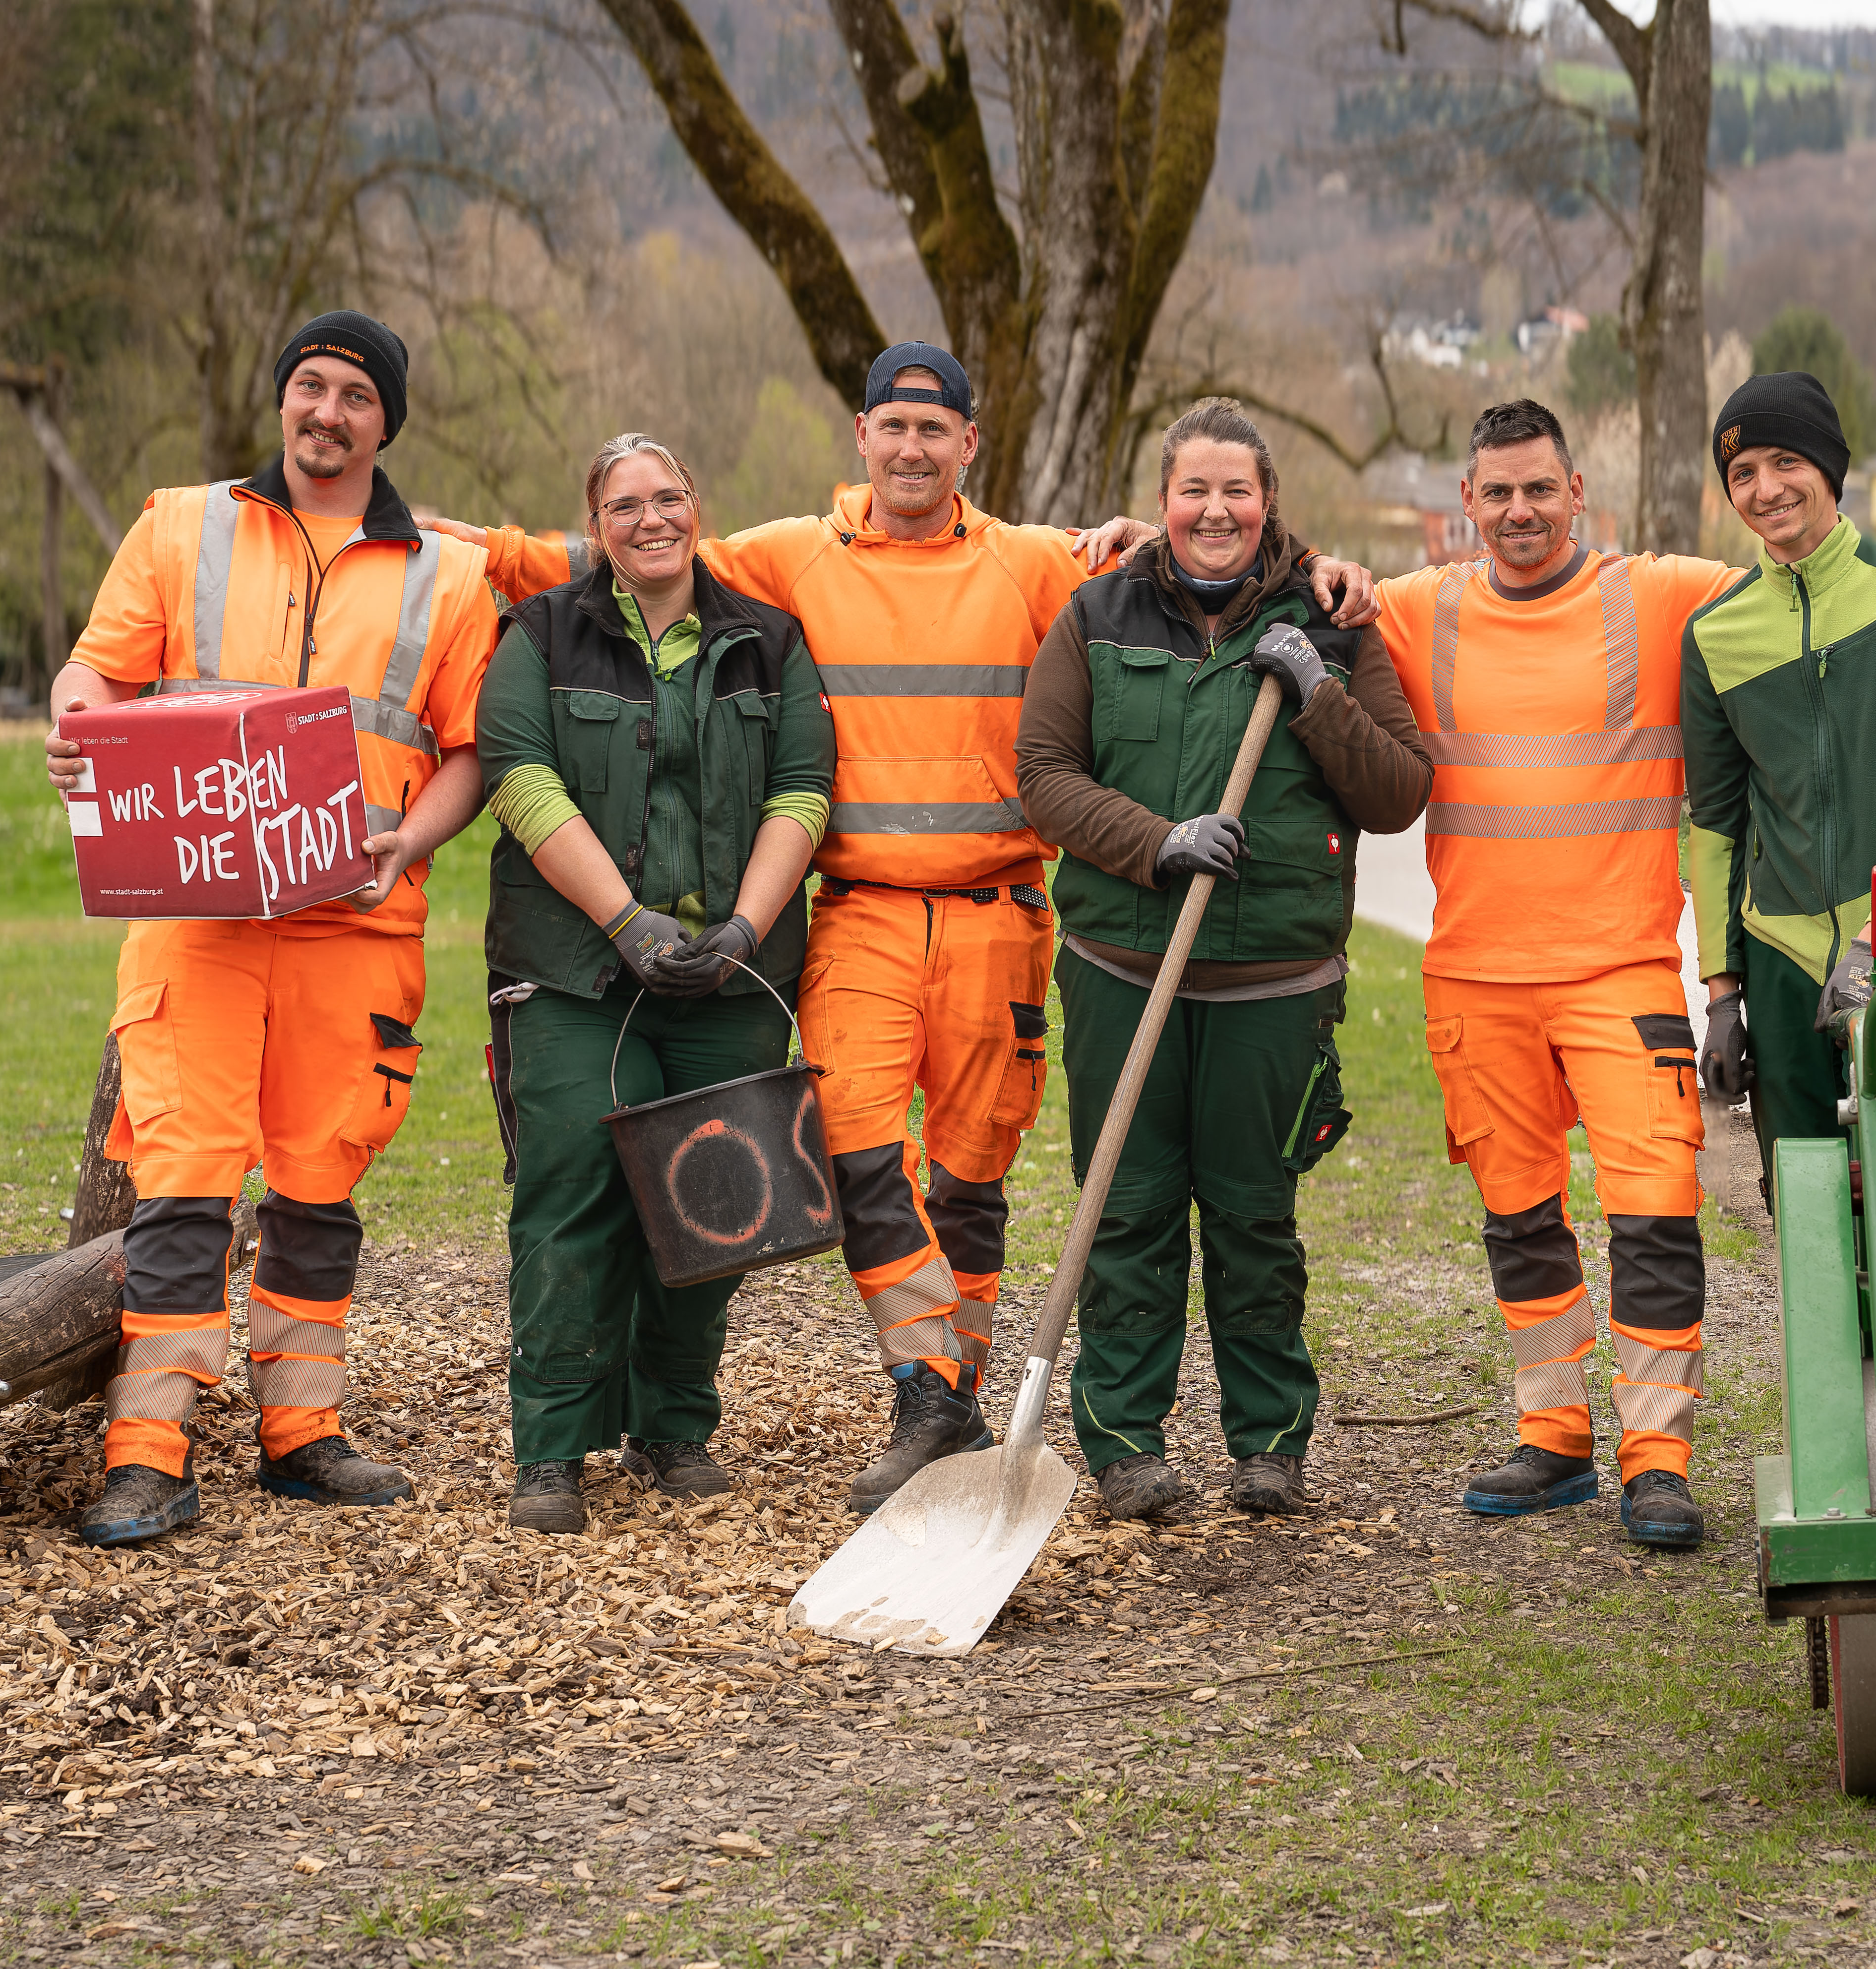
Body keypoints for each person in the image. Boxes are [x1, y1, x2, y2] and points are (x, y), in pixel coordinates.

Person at [449, 343, 1379, 1515]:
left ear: (967, 445)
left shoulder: (1030, 559)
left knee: (971, 1176)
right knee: (853, 1150)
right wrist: (459, 545)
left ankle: (949, 1398)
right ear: (861, 435)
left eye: (933, 430)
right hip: (863, 912)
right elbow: (635, 547)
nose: (910, 447)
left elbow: (1199, 549)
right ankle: (928, 1383)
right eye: (892, 426)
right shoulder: (791, 554)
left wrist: (1328, 569)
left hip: (999, 910)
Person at [1373, 398, 1876, 1550]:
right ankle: (1552, 1437)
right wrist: (1130, 541)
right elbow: (1299, 577)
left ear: (1577, 492)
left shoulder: (1662, 597)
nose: (1518, 510)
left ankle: (1658, 1461)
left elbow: (1808, 565)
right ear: (1465, 502)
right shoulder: (1416, 607)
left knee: (1654, 1213)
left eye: (1539, 488)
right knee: (1519, 1216)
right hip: (1476, 976)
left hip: (1621, 969)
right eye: (1497, 492)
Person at [44, 310, 499, 1546]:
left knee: (317, 1183)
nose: (327, 412)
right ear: (283, 398)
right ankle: (149, 1454)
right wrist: (74, 725)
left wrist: (411, 838)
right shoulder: (178, 525)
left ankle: (303, 1431)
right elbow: (95, 672)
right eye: (311, 386)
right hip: (196, 914)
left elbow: (470, 750)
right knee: (183, 1181)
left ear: (384, 423)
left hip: (355, 921)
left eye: (356, 395)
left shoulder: (451, 576)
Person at [1016, 399, 1432, 1519]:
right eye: (1193, 490)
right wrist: (1157, 843)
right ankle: (1124, 1443)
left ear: (1267, 502)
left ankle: (1269, 1443)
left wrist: (1318, 694)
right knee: (1128, 1209)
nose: (1214, 510)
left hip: (1273, 983)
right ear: (1161, 503)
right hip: (1122, 967)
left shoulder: (1331, 622)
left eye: (1235, 491)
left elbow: (1398, 792)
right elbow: (1044, 775)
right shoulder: (1097, 613)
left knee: (1254, 1217)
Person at [473, 434, 832, 1534]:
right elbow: (519, 777)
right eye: (623, 505)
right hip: (577, 969)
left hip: (731, 974)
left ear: (696, 507)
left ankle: (671, 1424)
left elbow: (804, 789)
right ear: (595, 527)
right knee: (571, 1187)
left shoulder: (769, 640)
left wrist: (746, 927)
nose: (650, 519)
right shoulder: (540, 633)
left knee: (716, 1198)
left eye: (666, 497)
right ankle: (551, 1445)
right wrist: (624, 921)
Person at [1685, 370, 1876, 1221]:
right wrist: (1722, 995)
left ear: (1828, 466)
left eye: (1786, 461)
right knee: (1808, 1215)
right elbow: (1712, 828)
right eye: (1742, 473)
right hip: (1777, 966)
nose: (1765, 488)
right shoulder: (1713, 635)